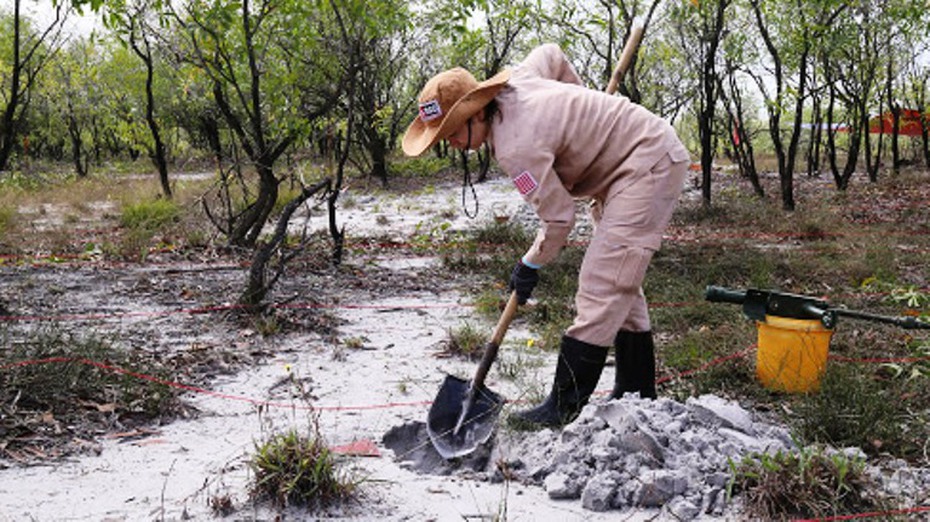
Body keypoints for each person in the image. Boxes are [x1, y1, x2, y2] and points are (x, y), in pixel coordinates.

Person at [402, 44, 690, 427]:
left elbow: (558, 220)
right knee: (621, 276)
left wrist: (530, 262)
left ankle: (562, 407)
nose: (450, 143)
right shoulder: (519, 78)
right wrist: (585, 108)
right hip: (624, 164)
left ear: (475, 112)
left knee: (603, 280)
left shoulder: (516, 148)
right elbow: (551, 54)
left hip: (647, 163)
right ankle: (637, 392)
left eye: (452, 133)